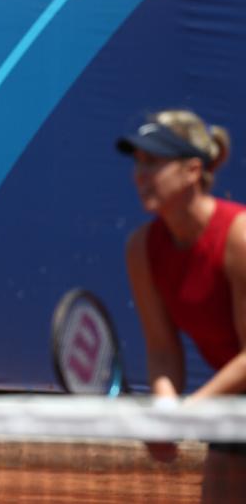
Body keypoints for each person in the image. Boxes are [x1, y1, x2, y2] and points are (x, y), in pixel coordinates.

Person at [118, 109, 246, 503]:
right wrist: (165, 410)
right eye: (138, 162)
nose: (140, 175)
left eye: (153, 162)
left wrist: (188, 412)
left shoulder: (240, 237)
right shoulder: (142, 249)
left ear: (192, 171)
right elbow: (162, 349)